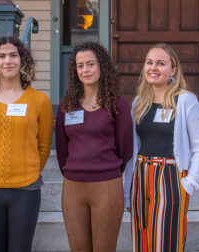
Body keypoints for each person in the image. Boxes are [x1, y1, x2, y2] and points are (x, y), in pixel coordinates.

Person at [0, 36, 53, 252]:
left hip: (25, 189)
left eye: (13, 55)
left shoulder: (39, 101)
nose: (8, 61)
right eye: (2, 56)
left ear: (22, 61)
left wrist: (29, 170)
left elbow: (43, 147)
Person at [123, 43, 199, 252]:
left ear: (173, 70)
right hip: (141, 176)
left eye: (161, 63)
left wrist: (189, 183)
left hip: (170, 177)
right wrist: (128, 189)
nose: (154, 68)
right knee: (141, 239)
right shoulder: (139, 102)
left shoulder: (186, 100)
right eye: (149, 62)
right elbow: (134, 149)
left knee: (166, 242)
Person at [55, 41, 133, 252]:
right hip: (73, 187)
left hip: (107, 184)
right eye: (80, 66)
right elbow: (62, 149)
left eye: (90, 64)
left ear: (102, 67)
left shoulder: (117, 105)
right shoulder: (66, 105)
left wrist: (107, 168)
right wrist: (75, 169)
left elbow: (125, 148)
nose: (85, 70)